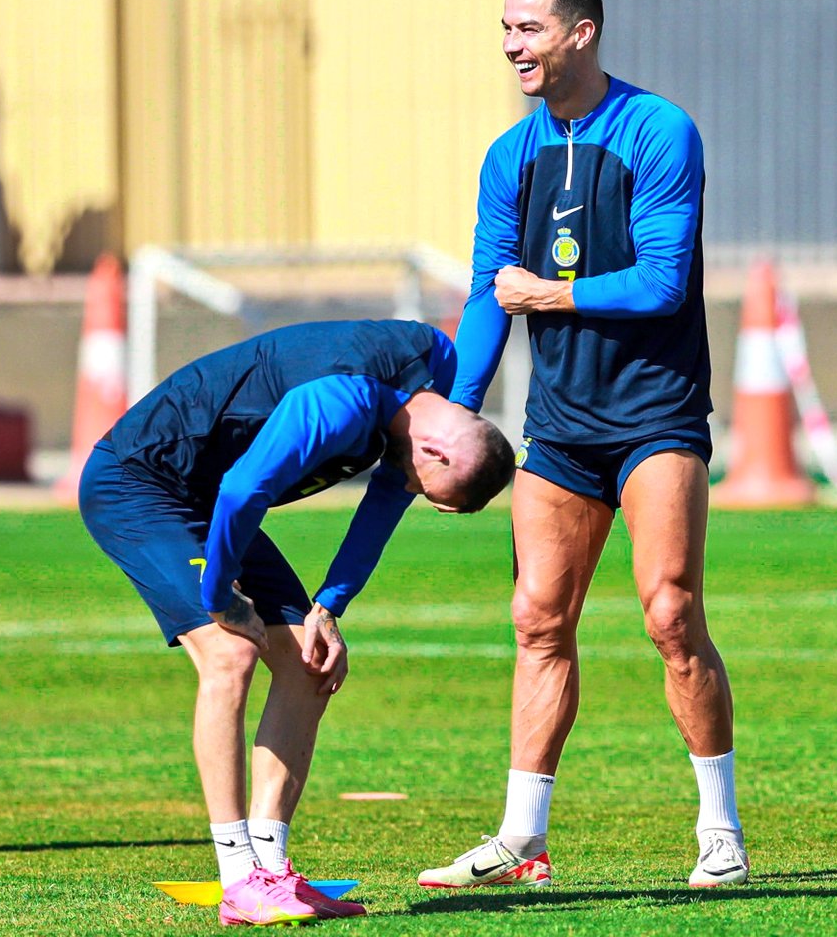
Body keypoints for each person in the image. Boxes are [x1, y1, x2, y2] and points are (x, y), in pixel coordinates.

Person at [416, 0, 748, 892]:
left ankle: (719, 828)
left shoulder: (658, 131)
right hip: (558, 426)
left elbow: (662, 281)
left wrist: (548, 293)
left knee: (671, 613)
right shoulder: (508, 156)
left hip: (656, 415)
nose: (512, 45)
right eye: (507, 28)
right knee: (536, 621)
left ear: (581, 33)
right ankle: (523, 838)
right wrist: (460, 408)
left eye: (529, 28)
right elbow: (491, 291)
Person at [79, 318, 515, 926]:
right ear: (439, 453)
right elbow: (242, 490)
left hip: (215, 496)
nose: (412, 486)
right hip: (143, 481)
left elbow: (381, 503)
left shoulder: (432, 383)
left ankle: (272, 868)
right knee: (230, 653)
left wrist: (328, 608)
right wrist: (221, 597)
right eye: (425, 484)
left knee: (311, 666)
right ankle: (237, 877)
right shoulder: (341, 402)